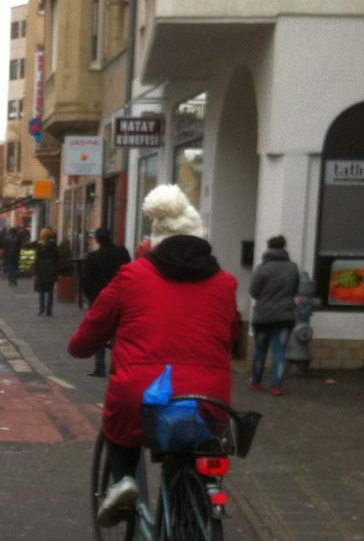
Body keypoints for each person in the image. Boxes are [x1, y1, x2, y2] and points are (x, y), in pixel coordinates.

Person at [68, 184, 240, 522]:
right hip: (208, 396)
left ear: (154, 240)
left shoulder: (133, 275)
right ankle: (201, 512)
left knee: (119, 426)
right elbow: (231, 338)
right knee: (202, 451)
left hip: (144, 393)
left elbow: (95, 325)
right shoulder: (225, 282)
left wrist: (80, 347)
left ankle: (125, 481)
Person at [248, 235, 299, 396]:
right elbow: (294, 290)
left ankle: (256, 382)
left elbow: (253, 292)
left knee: (260, 351)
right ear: (284, 247)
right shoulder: (292, 268)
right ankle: (276, 386)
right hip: (285, 317)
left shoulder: (262, 268)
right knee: (280, 352)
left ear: (268, 248)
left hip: (263, 317)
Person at [81, 227, 131, 377]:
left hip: (99, 299)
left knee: (99, 333)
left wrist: (90, 296)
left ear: (97, 240)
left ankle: (100, 367)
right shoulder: (122, 253)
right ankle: (116, 365)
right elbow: (129, 272)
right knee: (118, 333)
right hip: (120, 298)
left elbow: (86, 280)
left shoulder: (94, 257)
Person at [33, 227, 60, 316]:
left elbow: (36, 259)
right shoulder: (53, 244)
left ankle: (41, 309)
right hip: (51, 269)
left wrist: (35, 272)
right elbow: (57, 258)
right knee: (50, 291)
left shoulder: (39, 245)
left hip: (41, 270)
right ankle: (49, 310)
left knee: (41, 291)